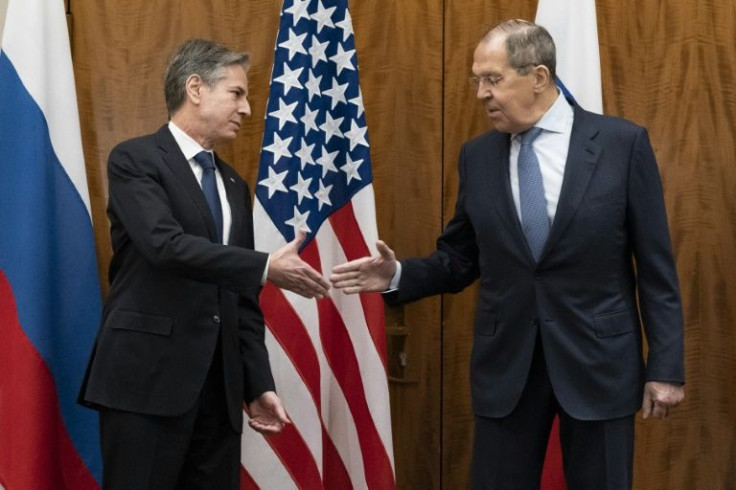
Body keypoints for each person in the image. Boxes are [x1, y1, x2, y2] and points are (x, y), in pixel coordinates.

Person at [331, 19, 685, 490]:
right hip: (508, 370)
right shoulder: (478, 156)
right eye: (477, 80)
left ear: (538, 77)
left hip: (600, 364)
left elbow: (656, 269)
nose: (481, 93)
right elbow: (459, 259)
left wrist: (665, 367)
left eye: (492, 79)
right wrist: (397, 275)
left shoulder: (622, 145)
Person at [78, 39, 330, 489]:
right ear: (195, 88)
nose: (248, 108)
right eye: (236, 93)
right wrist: (265, 265)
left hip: (219, 392)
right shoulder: (135, 160)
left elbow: (242, 298)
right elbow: (165, 246)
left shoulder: (233, 184)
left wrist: (257, 384)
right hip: (147, 384)